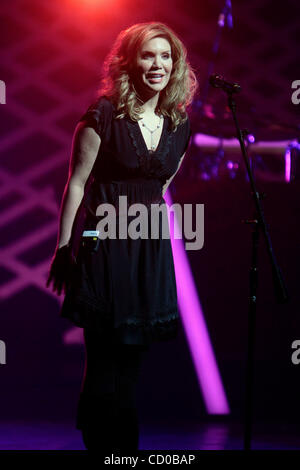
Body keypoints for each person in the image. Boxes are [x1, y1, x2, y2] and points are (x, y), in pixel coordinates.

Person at [46, 21, 198, 452]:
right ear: (129, 61)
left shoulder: (178, 124)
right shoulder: (103, 115)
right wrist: (64, 249)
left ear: (177, 64)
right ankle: (104, 448)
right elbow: (76, 183)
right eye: (149, 55)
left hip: (148, 250)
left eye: (166, 56)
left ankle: (124, 454)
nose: (158, 64)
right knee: (105, 365)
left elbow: (161, 185)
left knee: (132, 365)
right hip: (104, 246)